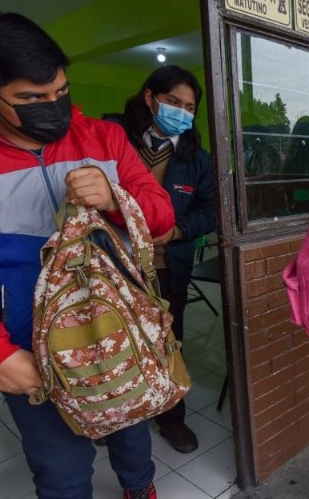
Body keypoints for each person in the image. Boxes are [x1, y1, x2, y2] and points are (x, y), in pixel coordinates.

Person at [0, 12, 175, 499]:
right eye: (31, 99)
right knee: (60, 465)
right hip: (27, 338)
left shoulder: (103, 138)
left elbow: (160, 219)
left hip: (117, 324)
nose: (54, 109)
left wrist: (118, 199)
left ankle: (140, 487)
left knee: (130, 426)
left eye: (60, 93)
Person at [120, 65, 216, 454]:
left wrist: (176, 231)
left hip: (166, 268)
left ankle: (172, 418)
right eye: (173, 102)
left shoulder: (196, 158)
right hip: (117, 267)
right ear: (150, 98)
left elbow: (209, 210)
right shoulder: (116, 144)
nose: (181, 112)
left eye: (189, 106)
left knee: (168, 344)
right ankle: (120, 415)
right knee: (118, 343)